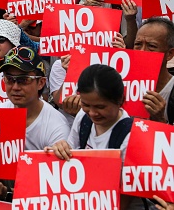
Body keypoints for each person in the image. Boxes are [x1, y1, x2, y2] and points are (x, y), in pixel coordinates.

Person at [0, 46, 70, 200]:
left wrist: (7, 195)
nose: (15, 87)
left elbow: (56, 190)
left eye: (23, 80)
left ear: (41, 83)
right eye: (9, 79)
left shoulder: (57, 127)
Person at [45, 64, 149, 210]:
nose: (93, 113)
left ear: (119, 100)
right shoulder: (82, 117)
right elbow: (71, 158)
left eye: (100, 107)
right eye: (86, 105)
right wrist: (59, 150)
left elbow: (122, 201)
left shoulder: (131, 137)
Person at [134, 17, 174, 124]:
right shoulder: (120, 85)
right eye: (138, 44)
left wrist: (160, 119)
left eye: (151, 46)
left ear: (169, 54)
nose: (142, 51)